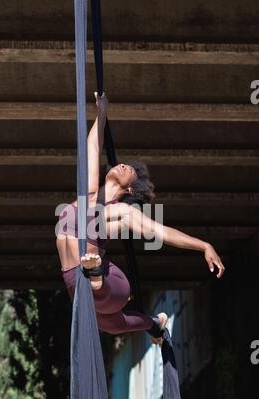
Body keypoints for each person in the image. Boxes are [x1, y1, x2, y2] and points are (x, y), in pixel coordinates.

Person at [56, 92, 225, 345]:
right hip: (75, 280)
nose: (123, 166)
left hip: (110, 283)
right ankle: (154, 323)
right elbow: (93, 146)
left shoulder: (123, 212)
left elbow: (162, 232)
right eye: (123, 164)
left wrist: (204, 245)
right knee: (111, 325)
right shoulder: (89, 191)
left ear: (131, 190)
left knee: (100, 293)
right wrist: (102, 113)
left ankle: (97, 275)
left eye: (129, 170)